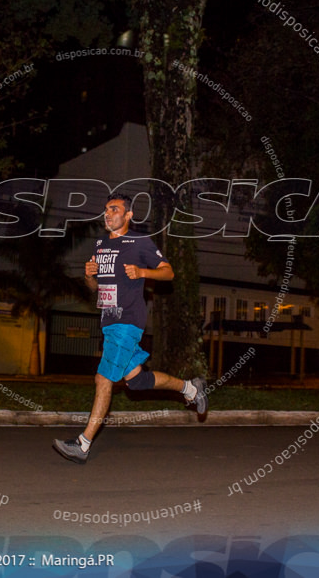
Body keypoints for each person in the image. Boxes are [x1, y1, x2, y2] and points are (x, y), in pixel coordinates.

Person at [52, 193, 208, 464]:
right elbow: (96, 290)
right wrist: (89, 276)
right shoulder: (100, 244)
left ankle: (83, 444)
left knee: (103, 379)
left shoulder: (139, 242)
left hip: (128, 322)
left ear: (128, 216)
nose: (108, 213)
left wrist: (143, 272)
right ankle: (191, 389)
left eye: (114, 209)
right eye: (106, 209)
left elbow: (168, 272)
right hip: (109, 322)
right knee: (136, 381)